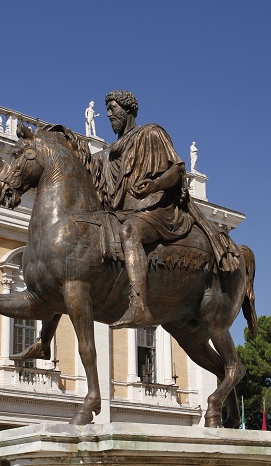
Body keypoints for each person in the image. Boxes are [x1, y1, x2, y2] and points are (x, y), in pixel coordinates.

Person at [94, 90, 239, 328]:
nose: (108, 114)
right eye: (108, 109)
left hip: (157, 210)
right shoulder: (110, 153)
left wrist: (154, 184)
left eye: (113, 108)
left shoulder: (151, 133)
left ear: (128, 109)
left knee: (130, 232)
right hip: (125, 213)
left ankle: (139, 305)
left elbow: (177, 171)